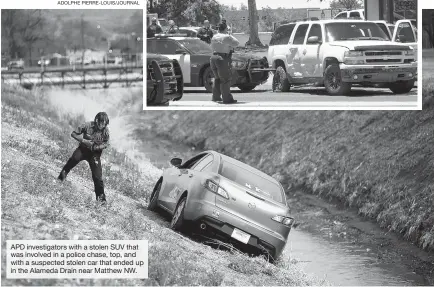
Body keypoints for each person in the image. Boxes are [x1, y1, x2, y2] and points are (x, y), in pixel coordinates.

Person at [58, 112, 110, 203]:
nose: (101, 125)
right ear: (96, 120)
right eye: (100, 122)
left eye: (104, 123)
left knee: (98, 177)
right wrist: (84, 141)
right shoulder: (87, 125)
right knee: (73, 160)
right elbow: (73, 134)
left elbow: (106, 143)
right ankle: (60, 179)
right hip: (83, 150)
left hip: (95, 155)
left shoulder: (106, 131)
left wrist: (97, 147)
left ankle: (101, 200)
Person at [210, 23, 240, 104]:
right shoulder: (226, 37)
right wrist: (230, 34)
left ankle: (215, 97)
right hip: (222, 58)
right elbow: (237, 43)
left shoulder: (214, 36)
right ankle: (227, 99)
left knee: (217, 78)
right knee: (225, 79)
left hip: (213, 57)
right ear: (225, 29)